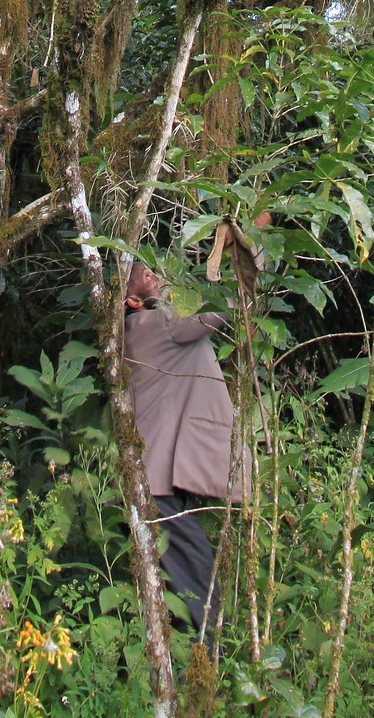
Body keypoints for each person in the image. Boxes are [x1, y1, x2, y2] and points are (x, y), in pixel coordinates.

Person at [124, 257, 246, 632]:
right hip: (157, 490)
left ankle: (192, 670)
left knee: (180, 588)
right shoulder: (159, 323)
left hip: (154, 484)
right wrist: (253, 246)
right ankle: (206, 672)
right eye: (145, 275)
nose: (155, 277)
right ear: (131, 300)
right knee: (199, 595)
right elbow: (223, 306)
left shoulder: (135, 331)